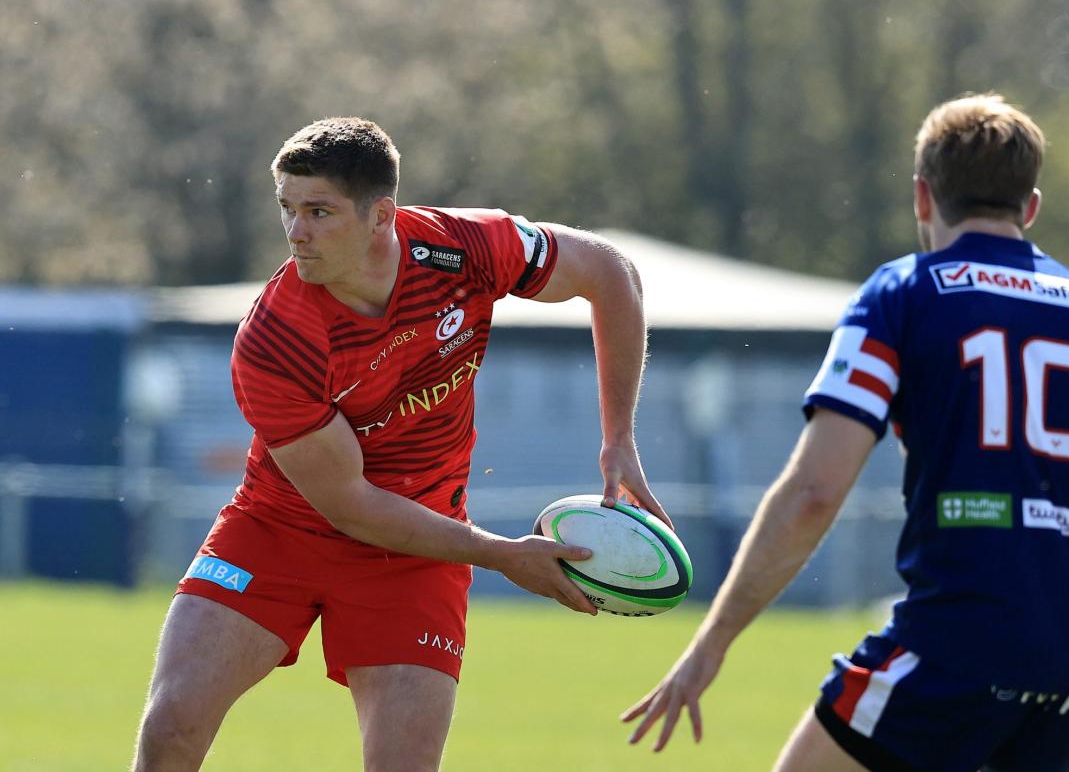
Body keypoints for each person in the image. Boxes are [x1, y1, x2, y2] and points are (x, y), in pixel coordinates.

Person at [622, 94, 1069, 771]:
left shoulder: (903, 295)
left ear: (923, 198)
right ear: (1030, 207)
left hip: (954, 649)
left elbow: (814, 492)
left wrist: (712, 641)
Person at [132, 117, 669, 771]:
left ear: (381, 214)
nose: (296, 231)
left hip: (417, 550)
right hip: (280, 531)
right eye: (288, 210)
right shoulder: (274, 338)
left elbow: (612, 274)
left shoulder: (467, 248)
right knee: (171, 727)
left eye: (319, 211)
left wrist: (620, 441)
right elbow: (350, 504)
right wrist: (504, 555)